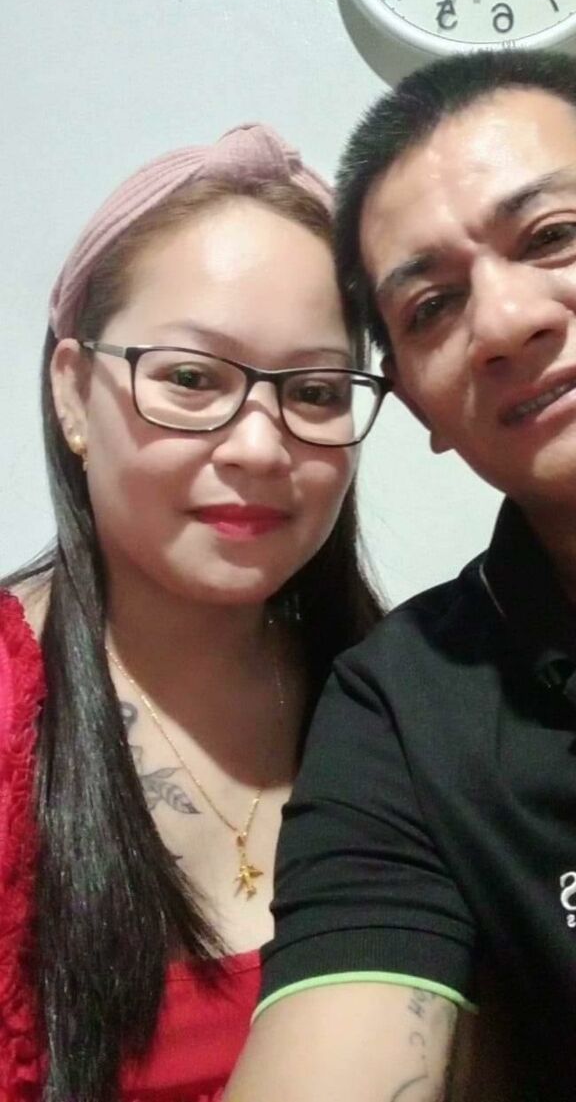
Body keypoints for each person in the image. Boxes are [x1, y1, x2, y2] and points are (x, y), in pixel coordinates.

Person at [226, 52, 576, 1102]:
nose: (502, 323)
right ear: (417, 405)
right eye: (432, 306)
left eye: (552, 236)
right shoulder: (405, 709)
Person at [0, 122, 388, 1102]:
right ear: (73, 393)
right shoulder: (11, 703)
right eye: (190, 377)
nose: (259, 446)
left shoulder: (408, 700)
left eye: (315, 390)